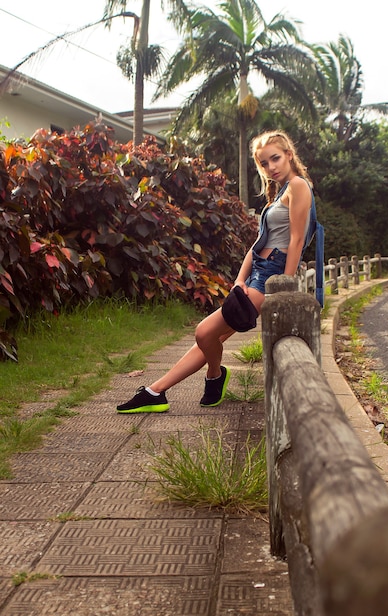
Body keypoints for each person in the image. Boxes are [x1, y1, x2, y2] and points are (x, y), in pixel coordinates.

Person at [116, 130, 314, 414]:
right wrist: (239, 280)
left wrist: (285, 284)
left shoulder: (298, 186)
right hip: (256, 275)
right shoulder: (280, 192)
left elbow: (296, 240)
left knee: (204, 332)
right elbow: (258, 245)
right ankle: (155, 391)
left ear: (289, 155)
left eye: (275, 159)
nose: (271, 167)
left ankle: (214, 376)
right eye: (265, 163)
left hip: (271, 277)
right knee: (213, 339)